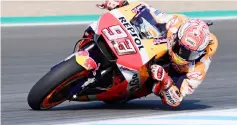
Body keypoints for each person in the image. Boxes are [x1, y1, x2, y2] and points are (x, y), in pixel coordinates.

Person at [77, 0, 218, 107]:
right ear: (176, 37)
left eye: (189, 54)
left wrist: (165, 80)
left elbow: (176, 100)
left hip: (164, 73)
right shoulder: (174, 24)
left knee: (153, 87)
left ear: (199, 53)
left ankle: (115, 89)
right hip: (154, 45)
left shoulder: (199, 67)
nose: (182, 55)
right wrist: (123, 4)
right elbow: (146, 10)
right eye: (181, 48)